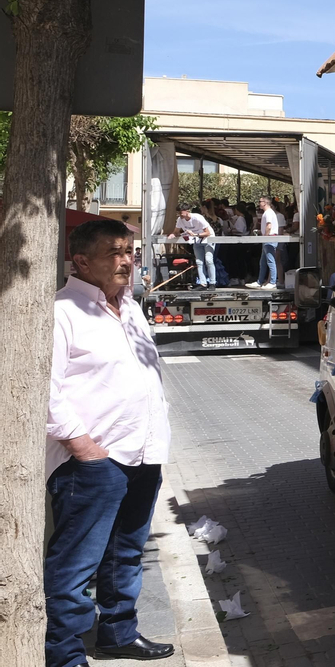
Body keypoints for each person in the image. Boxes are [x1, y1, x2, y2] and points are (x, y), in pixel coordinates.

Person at [45, 219, 174, 666]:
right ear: (81, 261)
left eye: (130, 252)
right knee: (75, 565)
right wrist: (82, 447)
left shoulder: (131, 308)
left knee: (126, 553)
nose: (127, 261)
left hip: (143, 451)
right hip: (93, 461)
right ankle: (64, 655)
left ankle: (119, 633)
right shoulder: (62, 311)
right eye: (115, 253)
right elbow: (43, 387)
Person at [173, 204, 215, 288]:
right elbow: (176, 231)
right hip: (196, 241)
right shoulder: (180, 220)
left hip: (208, 239)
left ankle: (212, 282)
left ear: (187, 211)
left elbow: (207, 233)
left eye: (180, 213)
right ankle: (203, 283)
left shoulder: (197, 218)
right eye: (178, 213)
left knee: (208, 260)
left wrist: (195, 234)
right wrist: (173, 235)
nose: (179, 215)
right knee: (199, 262)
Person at [248, 196, 280, 289]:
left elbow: (269, 226)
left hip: (269, 238)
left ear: (265, 203)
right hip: (267, 238)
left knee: (270, 261)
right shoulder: (267, 213)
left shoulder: (269, 213)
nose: (259, 203)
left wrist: (265, 237)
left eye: (260, 201)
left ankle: (273, 281)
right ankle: (260, 281)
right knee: (263, 262)